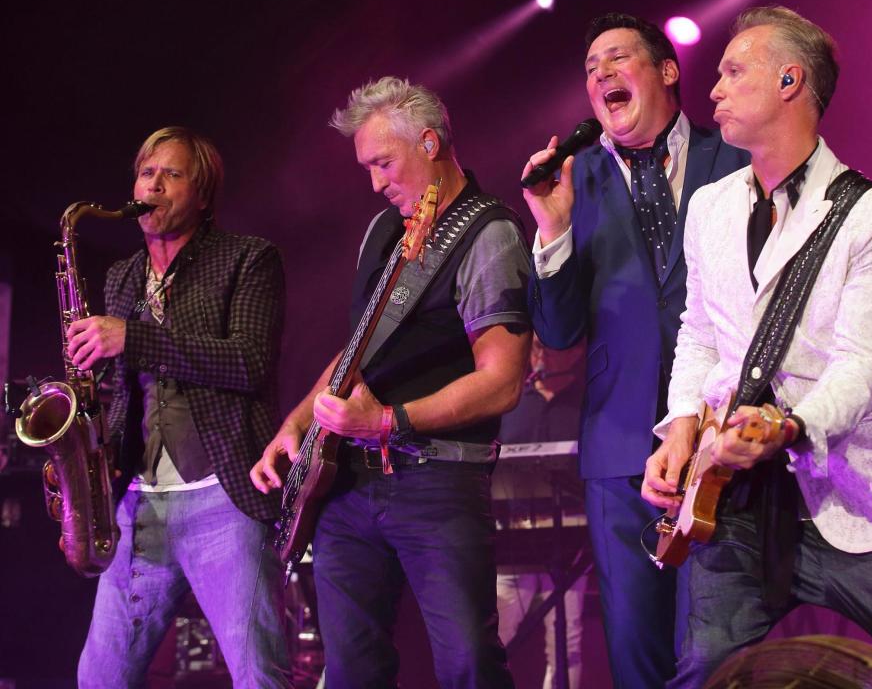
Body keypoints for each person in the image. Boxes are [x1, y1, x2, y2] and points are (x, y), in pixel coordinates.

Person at [642, 7, 872, 688]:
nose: (715, 89)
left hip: (860, 499)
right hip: (735, 502)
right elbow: (700, 332)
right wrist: (680, 428)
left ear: (790, 80)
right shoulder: (710, 207)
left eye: (733, 72)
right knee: (701, 673)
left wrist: (790, 427)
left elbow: (866, 362)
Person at [251, 76, 530, 689]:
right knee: (351, 670)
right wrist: (296, 424)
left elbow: (503, 382)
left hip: (438, 482)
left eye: (383, 162)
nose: (375, 182)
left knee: (468, 666)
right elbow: (357, 353)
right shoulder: (382, 231)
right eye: (368, 167)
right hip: (349, 485)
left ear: (429, 143)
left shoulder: (490, 234)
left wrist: (385, 421)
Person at [521, 12, 749, 687]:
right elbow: (558, 334)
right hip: (620, 449)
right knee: (634, 649)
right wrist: (553, 227)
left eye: (617, 59)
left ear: (667, 71)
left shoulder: (730, 159)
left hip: (719, 439)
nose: (601, 76)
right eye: (591, 70)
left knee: (715, 646)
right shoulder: (575, 179)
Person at [66, 127, 291, 687]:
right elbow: (121, 391)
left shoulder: (249, 258)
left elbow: (248, 362)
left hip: (226, 502)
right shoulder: (122, 276)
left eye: (172, 174)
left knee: (259, 676)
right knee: (99, 679)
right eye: (147, 173)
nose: (154, 186)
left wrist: (132, 339)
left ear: (204, 194)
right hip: (138, 505)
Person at [496, 336, 587, 689]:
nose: (539, 353)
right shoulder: (513, 400)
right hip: (512, 543)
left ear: (576, 349)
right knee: (496, 638)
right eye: (535, 345)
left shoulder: (584, 402)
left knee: (567, 641)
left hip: (569, 541)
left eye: (550, 344)